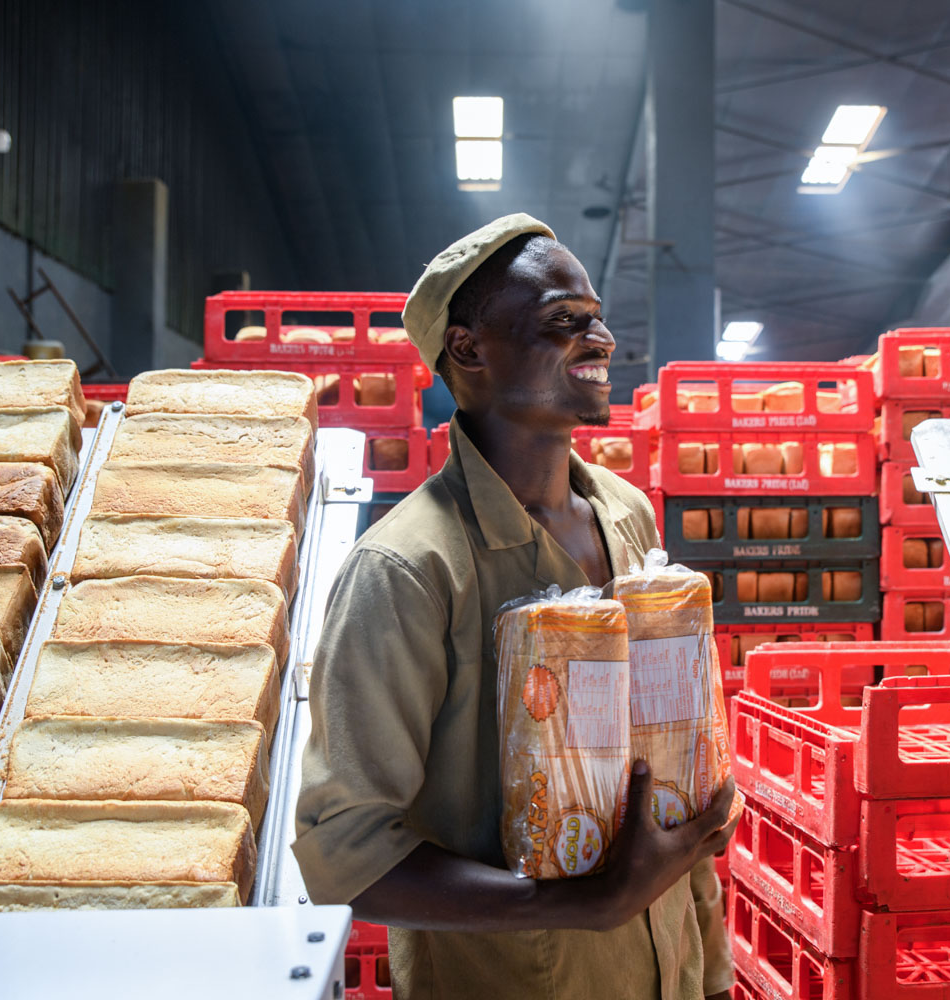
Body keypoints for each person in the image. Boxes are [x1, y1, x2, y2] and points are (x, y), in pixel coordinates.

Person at [293, 213, 738, 999]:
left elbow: (662, 788)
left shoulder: (628, 514)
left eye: (598, 318)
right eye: (564, 322)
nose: (599, 340)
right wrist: (580, 903)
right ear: (468, 350)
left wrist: (709, 971)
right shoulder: (409, 569)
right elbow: (347, 854)